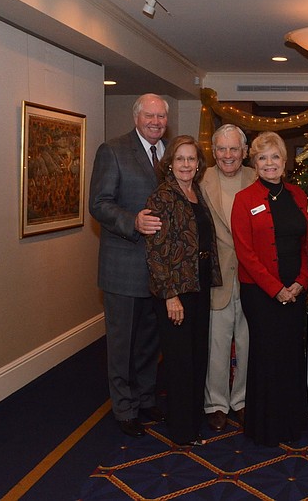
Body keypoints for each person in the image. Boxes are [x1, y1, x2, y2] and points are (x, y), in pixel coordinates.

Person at [89, 93, 169, 437]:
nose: (156, 122)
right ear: (136, 117)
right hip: (123, 266)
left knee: (150, 341)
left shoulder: (168, 155)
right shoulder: (113, 150)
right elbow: (99, 203)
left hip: (159, 270)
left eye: (161, 117)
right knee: (122, 343)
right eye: (149, 116)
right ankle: (124, 408)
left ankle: (145, 397)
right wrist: (132, 222)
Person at [231, 131, 308, 446]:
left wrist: (301, 282)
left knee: (292, 353)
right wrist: (275, 288)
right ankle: (266, 427)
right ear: (254, 163)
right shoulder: (245, 199)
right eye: (262, 158)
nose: (269, 163)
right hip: (260, 293)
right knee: (267, 355)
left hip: (296, 290)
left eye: (275, 157)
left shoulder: (298, 195)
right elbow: (245, 252)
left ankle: (293, 422)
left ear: (284, 161)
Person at [145, 135, 221, 446]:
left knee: (196, 356)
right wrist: (170, 295)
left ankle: (192, 422)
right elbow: (156, 251)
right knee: (179, 362)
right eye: (180, 159)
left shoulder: (195, 191)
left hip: (199, 285)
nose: (186, 164)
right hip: (177, 291)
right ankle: (181, 430)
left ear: (198, 164)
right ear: (170, 164)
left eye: (191, 159)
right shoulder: (162, 197)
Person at [199, 124, 256, 431]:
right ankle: (216, 403)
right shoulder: (200, 179)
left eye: (234, 149)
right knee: (217, 342)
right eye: (221, 149)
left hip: (251, 275)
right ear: (213, 151)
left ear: (244, 152)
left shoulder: (257, 176)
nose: (228, 155)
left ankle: (243, 400)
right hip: (216, 274)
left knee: (247, 341)